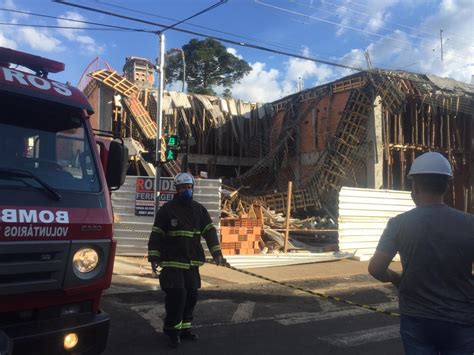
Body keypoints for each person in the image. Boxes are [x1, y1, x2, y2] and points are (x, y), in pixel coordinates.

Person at [368, 152, 474, 354]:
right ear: (447, 186)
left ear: (414, 187)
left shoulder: (398, 224)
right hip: (461, 318)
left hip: (418, 319)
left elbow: (375, 268)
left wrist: (397, 279)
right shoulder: (470, 223)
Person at [148, 172, 227, 348]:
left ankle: (184, 329)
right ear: (177, 189)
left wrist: (217, 254)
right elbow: (156, 235)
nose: (187, 190)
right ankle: (172, 332)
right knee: (177, 295)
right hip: (172, 262)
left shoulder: (199, 210)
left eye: (189, 187)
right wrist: (154, 257)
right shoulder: (167, 210)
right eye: (184, 187)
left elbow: (210, 232)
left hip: (191, 262)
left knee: (191, 296)